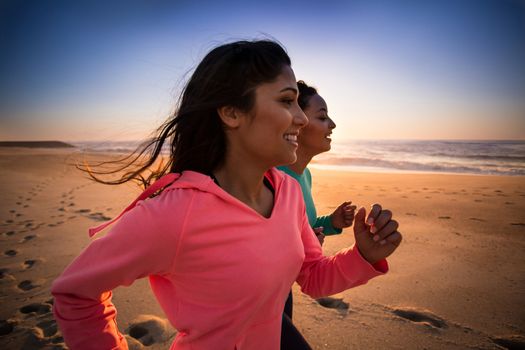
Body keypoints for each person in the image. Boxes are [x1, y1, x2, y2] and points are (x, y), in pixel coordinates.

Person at [51, 40, 402, 350]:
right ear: (231, 112)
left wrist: (363, 256)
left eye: (299, 104)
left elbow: (311, 276)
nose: (300, 119)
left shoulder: (288, 192)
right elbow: (75, 293)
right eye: (286, 101)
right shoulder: (175, 212)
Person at [278, 81, 356, 349]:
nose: (332, 124)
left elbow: (304, 227)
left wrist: (331, 223)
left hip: (283, 289)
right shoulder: (273, 178)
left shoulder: (305, 175)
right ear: (296, 122)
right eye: (322, 117)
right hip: (262, 293)